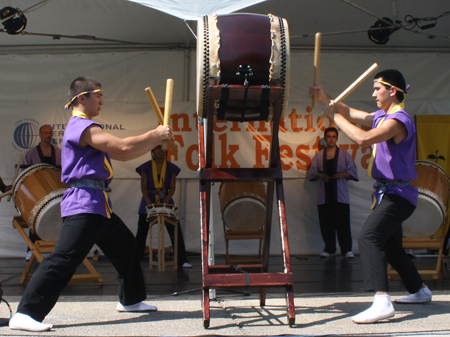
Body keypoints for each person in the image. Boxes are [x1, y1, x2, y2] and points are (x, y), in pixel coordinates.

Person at [9, 76, 173, 332]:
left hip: (98, 205)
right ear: (81, 98)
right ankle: (26, 313)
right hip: (85, 205)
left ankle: (130, 300)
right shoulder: (81, 127)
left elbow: (125, 151)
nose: (102, 101)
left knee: (127, 247)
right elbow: (121, 148)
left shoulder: (84, 126)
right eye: (98, 96)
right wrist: (154, 134)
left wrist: (154, 139)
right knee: (64, 259)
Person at [310, 69, 432, 324]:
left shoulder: (398, 120)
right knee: (391, 246)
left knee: (369, 237)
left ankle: (381, 301)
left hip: (398, 194)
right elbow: (350, 111)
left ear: (392, 91)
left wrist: (334, 119)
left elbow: (363, 139)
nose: (373, 93)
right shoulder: (381, 116)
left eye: (377, 88)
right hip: (390, 192)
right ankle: (419, 290)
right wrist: (325, 99)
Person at [135, 145, 192, 268]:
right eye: (157, 148)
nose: (161, 151)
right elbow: (143, 187)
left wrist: (166, 201)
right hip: (148, 200)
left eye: (163, 148)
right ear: (153, 151)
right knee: (141, 232)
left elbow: (172, 187)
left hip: (165, 200)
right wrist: (149, 203)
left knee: (175, 229)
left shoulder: (171, 167)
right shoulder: (146, 167)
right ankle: (136, 260)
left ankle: (182, 260)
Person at [308, 127, 358, 259]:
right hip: (324, 196)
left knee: (343, 224)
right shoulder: (318, 156)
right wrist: (320, 175)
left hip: (340, 195)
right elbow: (312, 172)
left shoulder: (344, 154)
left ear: (337, 138)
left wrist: (342, 174)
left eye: (333, 136)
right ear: (325, 138)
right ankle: (330, 249)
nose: (331, 139)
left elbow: (352, 170)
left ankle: (347, 249)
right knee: (326, 224)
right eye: (329, 136)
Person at [23, 124, 62, 261]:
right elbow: (25, 175)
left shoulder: (59, 152)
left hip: (55, 191)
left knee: (56, 221)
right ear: (39, 134)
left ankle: (56, 250)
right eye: (45, 132)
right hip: (38, 194)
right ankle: (31, 250)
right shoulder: (31, 154)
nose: (48, 135)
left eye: (50, 133)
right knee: (35, 220)